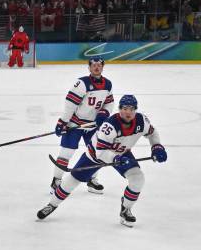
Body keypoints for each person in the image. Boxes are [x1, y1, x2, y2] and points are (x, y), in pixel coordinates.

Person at [38, 95, 166, 227]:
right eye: (125, 108)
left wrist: (157, 146)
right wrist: (117, 158)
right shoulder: (109, 126)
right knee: (71, 181)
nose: (128, 112)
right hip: (95, 156)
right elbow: (101, 153)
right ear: (119, 109)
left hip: (122, 153)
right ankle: (52, 204)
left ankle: (126, 209)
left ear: (136, 110)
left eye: (132, 109)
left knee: (138, 179)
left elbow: (152, 133)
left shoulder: (142, 121)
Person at [51, 56, 114, 195]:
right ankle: (56, 181)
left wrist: (104, 113)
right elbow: (70, 104)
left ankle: (92, 179)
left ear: (102, 67)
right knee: (66, 152)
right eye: (93, 65)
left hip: (92, 126)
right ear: (89, 68)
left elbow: (109, 103)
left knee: (98, 153)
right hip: (75, 124)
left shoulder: (107, 84)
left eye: (99, 65)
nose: (96, 67)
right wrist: (63, 122)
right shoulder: (82, 83)